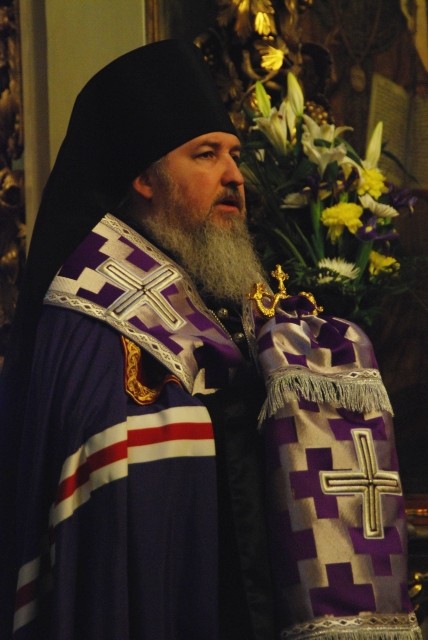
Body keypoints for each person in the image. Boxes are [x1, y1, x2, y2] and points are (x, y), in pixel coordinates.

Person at [0, 39, 422, 640]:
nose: (234, 177)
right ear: (144, 178)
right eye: (206, 155)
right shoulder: (91, 316)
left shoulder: (226, 299)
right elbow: (111, 523)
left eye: (234, 155)